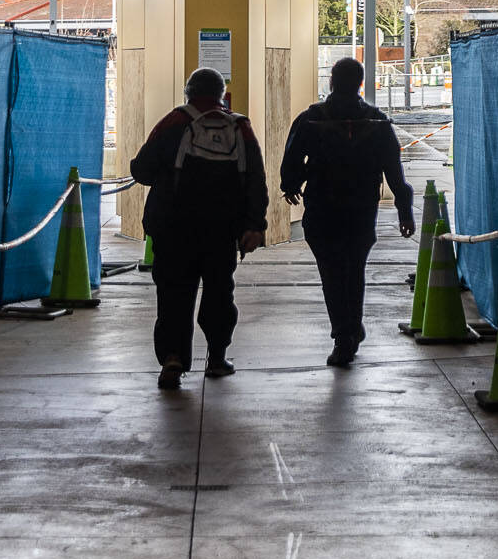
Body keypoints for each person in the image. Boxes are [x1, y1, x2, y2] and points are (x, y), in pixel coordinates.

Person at [130, 67, 268, 390]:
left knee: (174, 293)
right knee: (220, 291)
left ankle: (173, 360)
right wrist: (254, 224)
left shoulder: (175, 122)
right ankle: (217, 358)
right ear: (222, 94)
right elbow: (255, 181)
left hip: (174, 229)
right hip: (222, 231)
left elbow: (141, 169)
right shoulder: (240, 127)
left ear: (188, 92)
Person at [280, 57, 413, 367]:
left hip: (322, 209)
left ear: (331, 82)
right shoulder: (377, 121)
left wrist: (291, 185)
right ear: (360, 84)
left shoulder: (312, 118)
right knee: (354, 270)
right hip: (361, 211)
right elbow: (394, 171)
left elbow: (292, 160)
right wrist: (404, 211)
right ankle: (350, 327)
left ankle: (344, 334)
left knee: (332, 272)